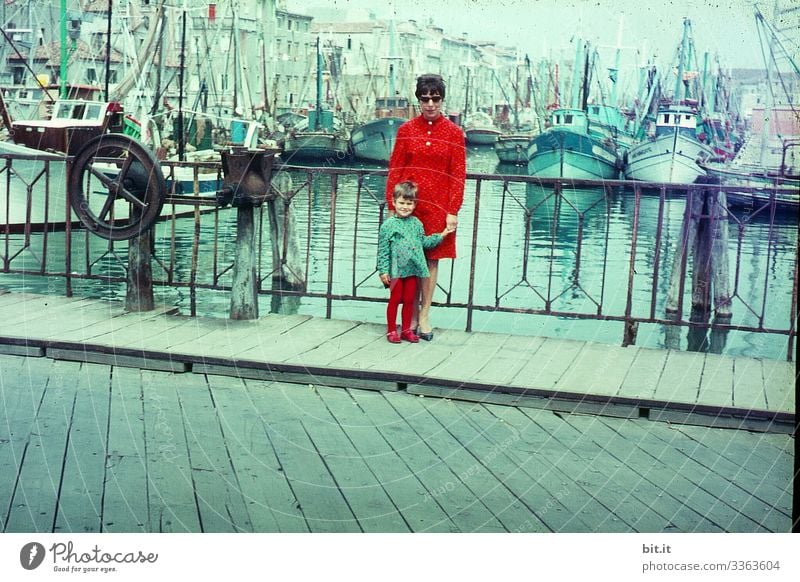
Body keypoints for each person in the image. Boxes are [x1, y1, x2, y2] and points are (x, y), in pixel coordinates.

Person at [385, 73, 466, 341]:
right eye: (425, 99)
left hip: (438, 207)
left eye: (435, 99)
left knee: (430, 259)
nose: (430, 104)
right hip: (409, 206)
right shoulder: (406, 130)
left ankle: (424, 317)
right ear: (418, 100)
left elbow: (458, 174)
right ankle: (406, 318)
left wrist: (453, 210)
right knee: (406, 259)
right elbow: (395, 169)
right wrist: (391, 206)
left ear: (442, 99)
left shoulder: (454, 134)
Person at [378, 181, 453, 344]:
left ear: (414, 204)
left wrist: (442, 235)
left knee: (409, 299)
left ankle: (406, 330)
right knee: (395, 299)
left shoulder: (417, 224)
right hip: (396, 270)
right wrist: (383, 271)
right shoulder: (388, 226)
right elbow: (383, 251)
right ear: (394, 202)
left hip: (412, 270)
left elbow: (424, 243)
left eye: (409, 203)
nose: (405, 207)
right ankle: (391, 330)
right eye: (401, 203)